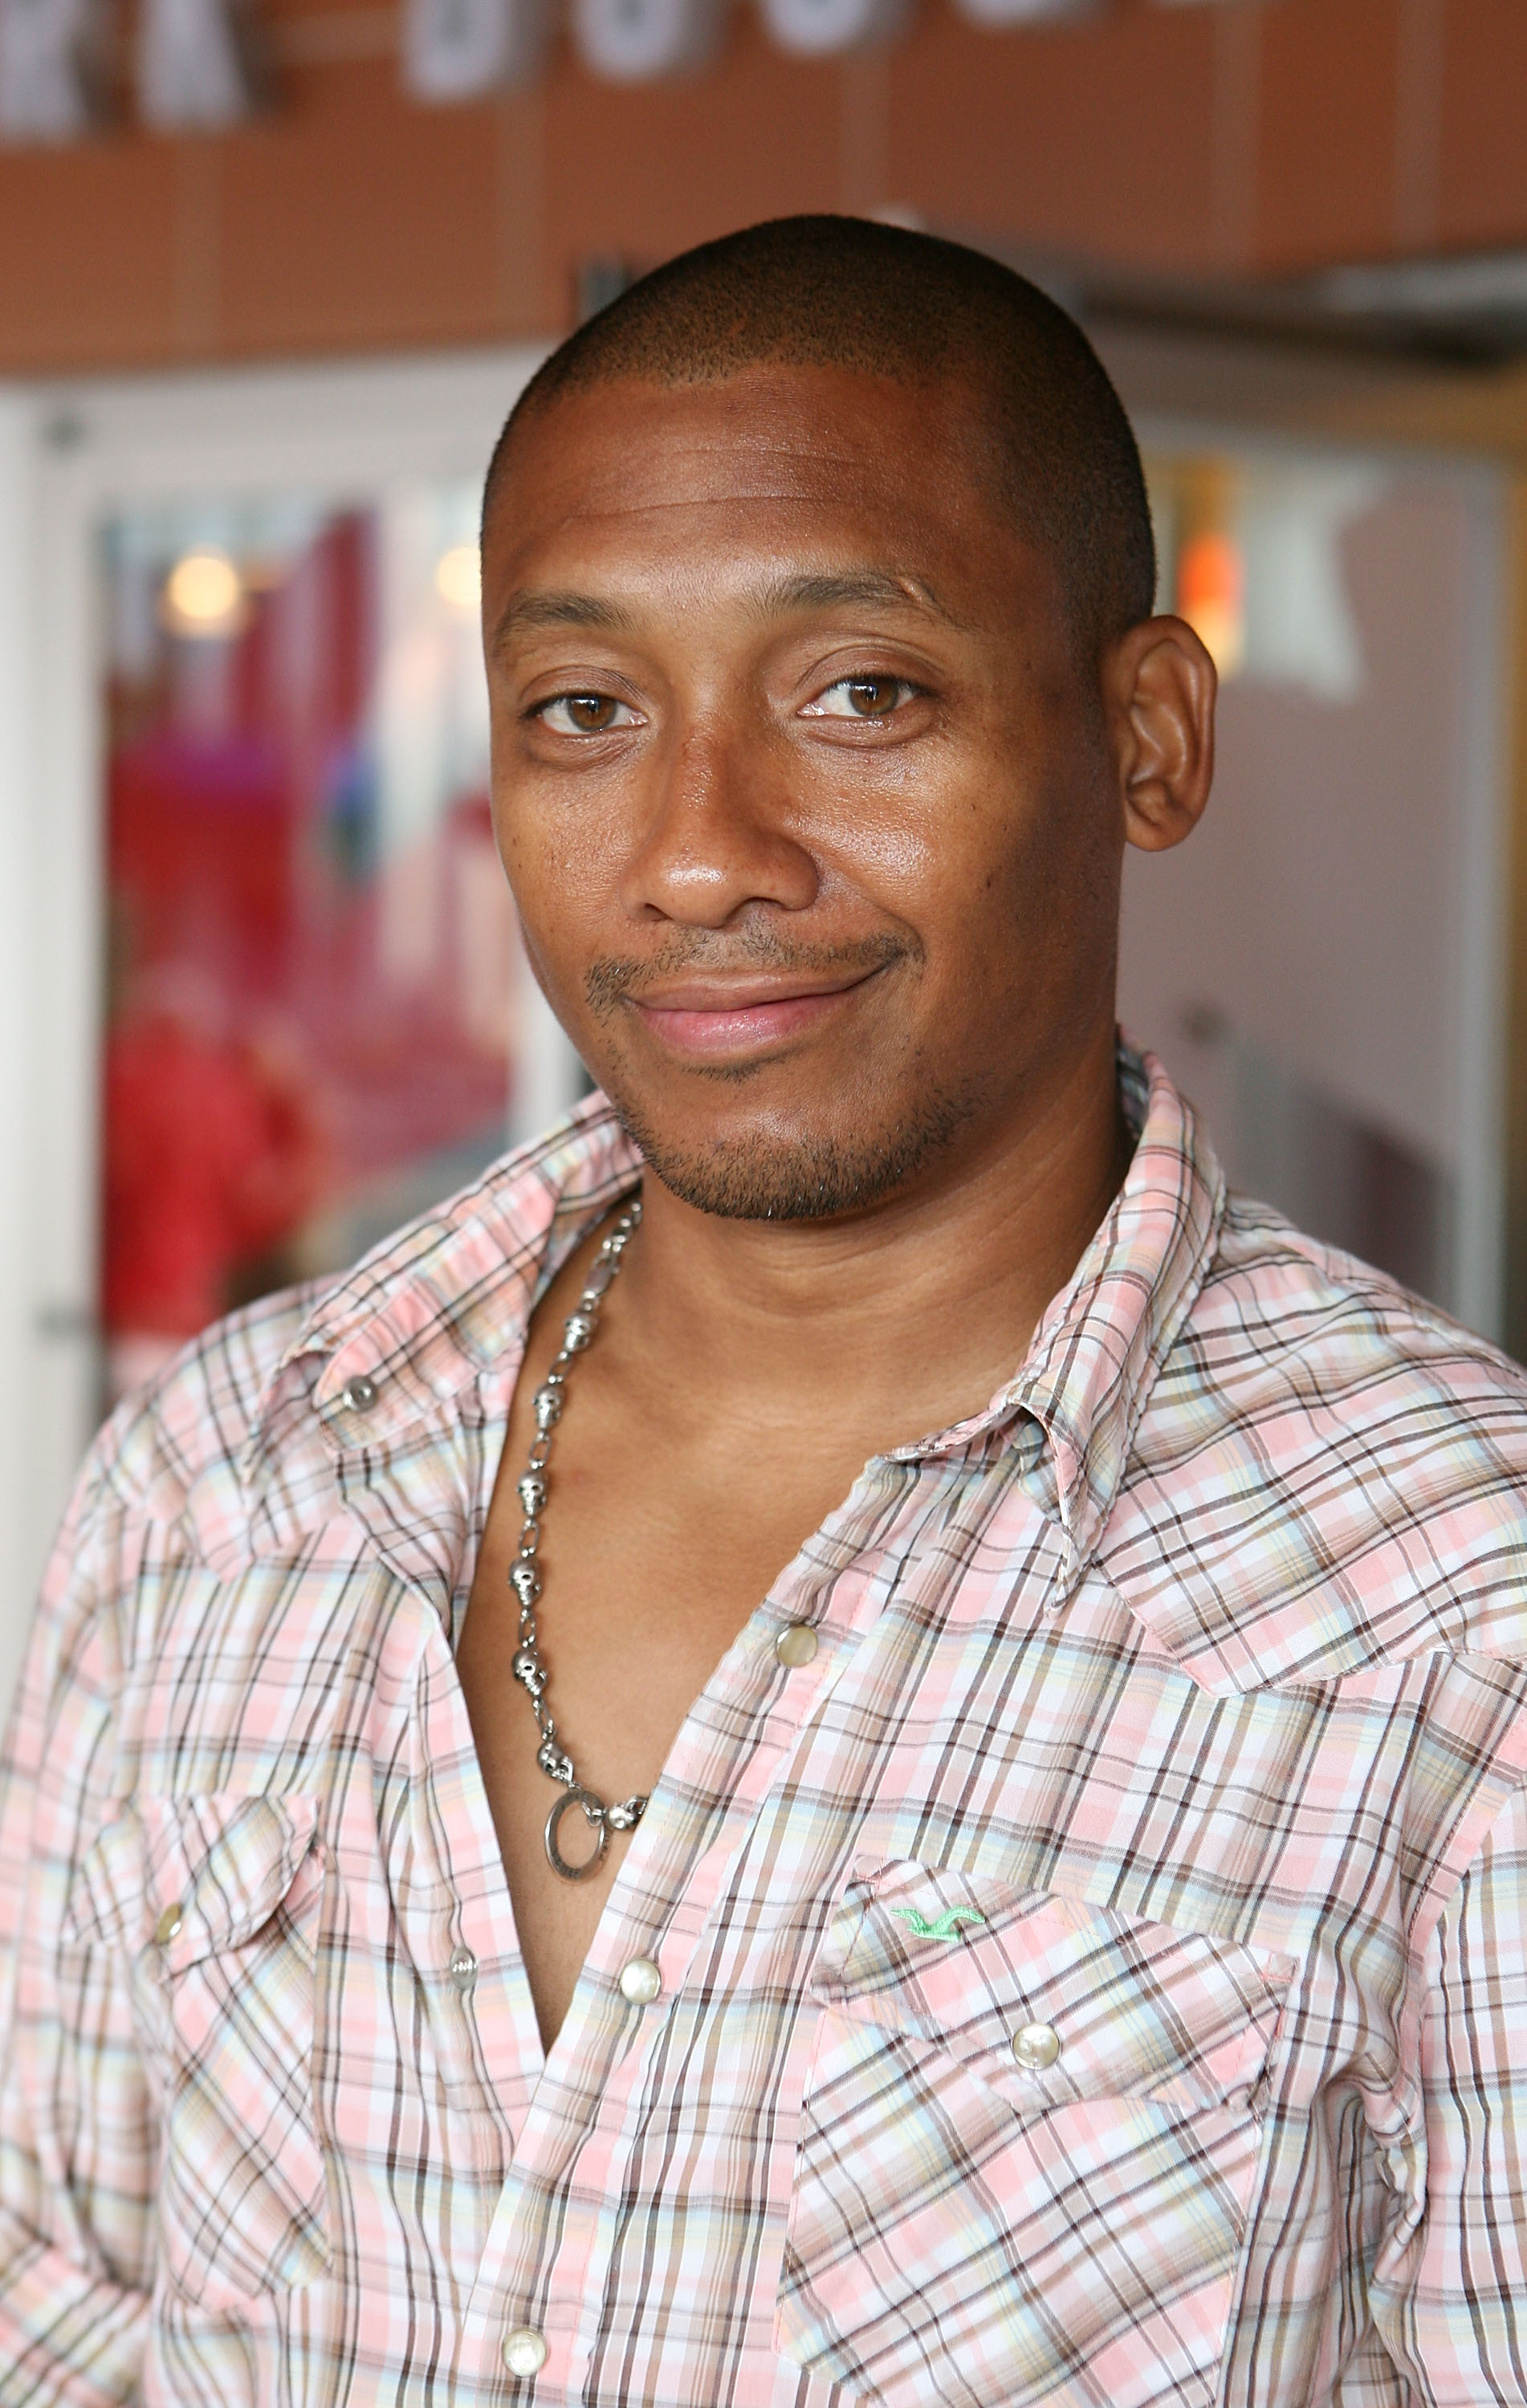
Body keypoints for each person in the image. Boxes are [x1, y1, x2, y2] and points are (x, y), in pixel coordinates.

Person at [2, 215, 1525, 2408]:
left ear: (1149, 739)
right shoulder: (232, 1482)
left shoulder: (1454, 1606)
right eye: (586, 710)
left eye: (860, 693)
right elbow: (67, 2315)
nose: (699, 851)